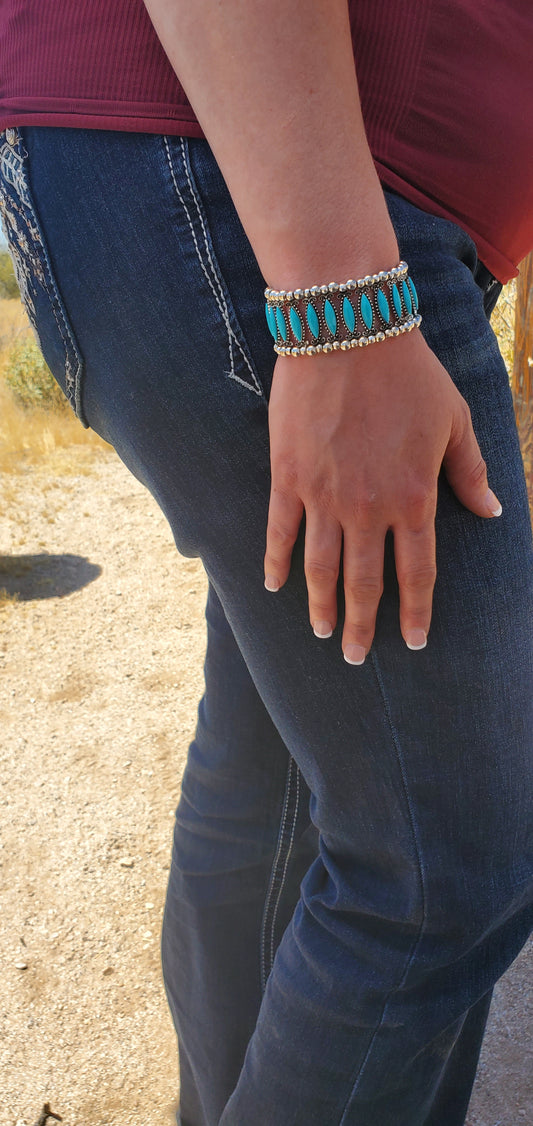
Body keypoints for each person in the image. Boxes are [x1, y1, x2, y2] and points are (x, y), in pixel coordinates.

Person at [1, 2, 532, 1124]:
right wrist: (340, 294)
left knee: (283, 769)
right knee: (445, 860)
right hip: (289, 193)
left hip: (249, 177)